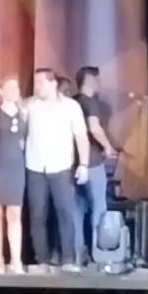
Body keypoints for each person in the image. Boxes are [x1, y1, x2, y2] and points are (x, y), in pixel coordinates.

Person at [25, 68, 90, 272]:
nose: (37, 87)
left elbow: (81, 136)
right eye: (35, 83)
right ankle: (42, 261)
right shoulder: (28, 105)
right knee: (37, 215)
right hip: (35, 166)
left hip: (61, 167)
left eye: (41, 82)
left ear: (53, 83)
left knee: (65, 213)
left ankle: (68, 260)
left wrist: (84, 164)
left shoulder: (71, 107)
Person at [73, 66, 116, 265]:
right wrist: (107, 147)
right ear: (90, 80)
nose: (99, 84)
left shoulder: (73, 102)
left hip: (73, 163)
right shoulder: (90, 103)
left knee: (77, 210)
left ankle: (77, 254)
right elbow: (94, 127)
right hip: (92, 161)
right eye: (97, 80)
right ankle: (99, 253)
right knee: (99, 207)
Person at [0, 77, 27, 274]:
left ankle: (16, 261)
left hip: (16, 166)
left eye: (16, 87)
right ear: (0, 90)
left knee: (15, 213)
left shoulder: (23, 111)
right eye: (9, 87)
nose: (14, 90)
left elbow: (23, 140)